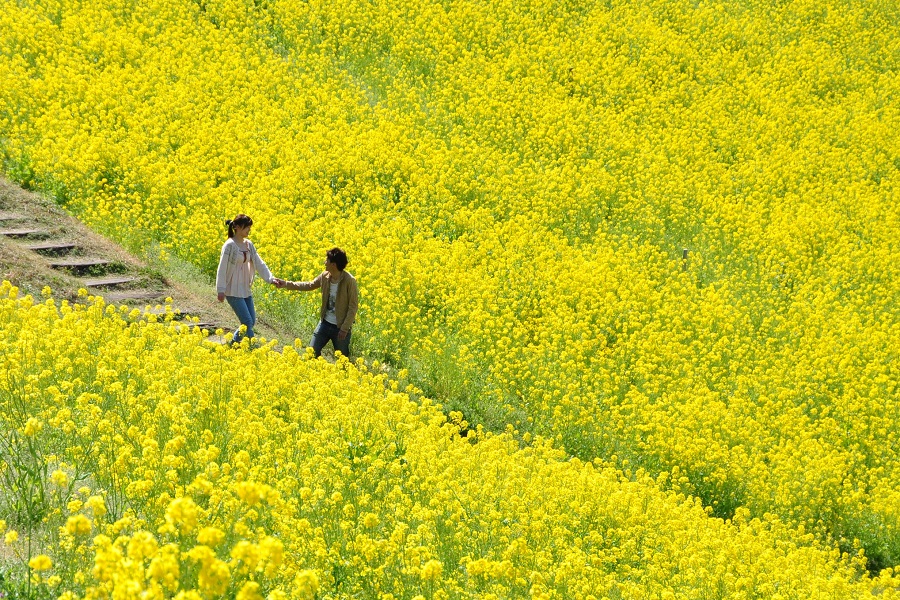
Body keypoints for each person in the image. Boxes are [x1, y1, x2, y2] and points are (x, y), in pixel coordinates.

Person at [274, 247, 358, 358]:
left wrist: (344, 328)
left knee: (343, 360)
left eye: (327, 260)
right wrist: (286, 284)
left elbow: (353, 307)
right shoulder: (325, 276)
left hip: (340, 327)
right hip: (325, 323)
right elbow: (309, 285)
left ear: (333, 264)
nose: (324, 262)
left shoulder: (349, 281)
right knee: (311, 353)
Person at [215, 214, 278, 344]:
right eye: (247, 227)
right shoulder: (229, 245)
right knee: (247, 322)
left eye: (249, 227)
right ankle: (252, 348)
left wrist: (271, 279)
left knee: (251, 321)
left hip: (245, 288)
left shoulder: (249, 245)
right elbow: (222, 268)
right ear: (237, 227)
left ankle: (233, 344)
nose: (249, 230)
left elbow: (259, 263)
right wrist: (220, 290)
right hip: (232, 289)